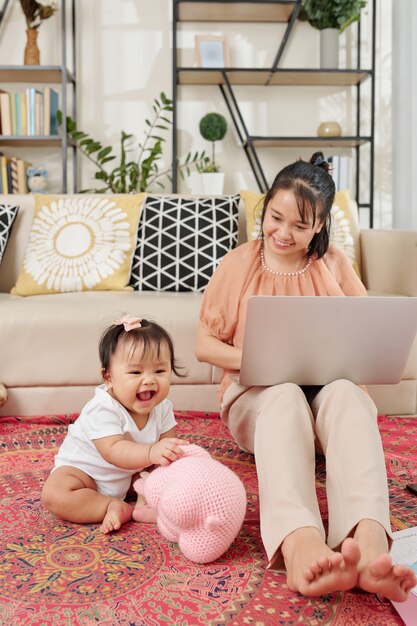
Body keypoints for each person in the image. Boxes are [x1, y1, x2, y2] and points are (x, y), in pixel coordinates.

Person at [195, 152, 417, 601]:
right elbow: (204, 345)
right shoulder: (239, 263)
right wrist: (258, 358)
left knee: (347, 396)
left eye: (300, 225)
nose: (283, 233)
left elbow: (363, 332)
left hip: (324, 404)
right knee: (282, 396)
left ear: (319, 225)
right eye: (275, 217)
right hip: (260, 400)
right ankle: (300, 545)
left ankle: (370, 544)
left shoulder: (333, 264)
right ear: (265, 208)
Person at [42, 315, 187, 534]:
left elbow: (168, 446)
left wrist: (173, 460)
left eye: (159, 371)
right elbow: (113, 451)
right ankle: (109, 506)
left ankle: (144, 500)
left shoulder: (162, 407)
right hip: (86, 475)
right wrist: (151, 452)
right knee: (55, 493)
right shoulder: (102, 408)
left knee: (166, 472)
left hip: (128, 476)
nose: (149, 380)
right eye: (136, 372)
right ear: (108, 377)